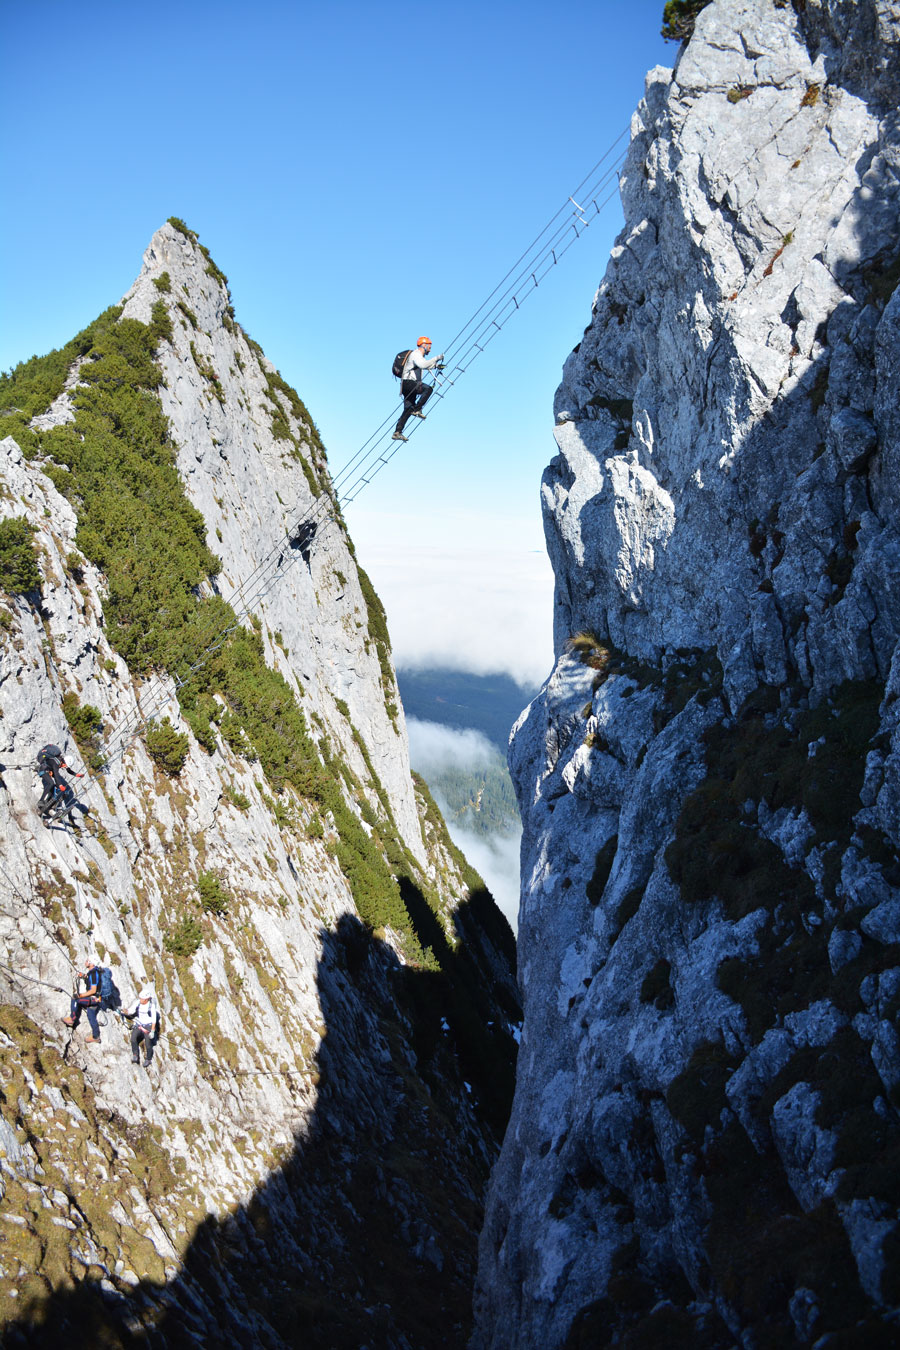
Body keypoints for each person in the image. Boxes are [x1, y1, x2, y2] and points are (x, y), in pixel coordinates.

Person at [392, 336, 444, 442]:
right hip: (409, 382)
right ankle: (417, 409)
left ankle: (397, 432)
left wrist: (436, 366)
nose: (430, 348)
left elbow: (425, 364)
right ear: (424, 345)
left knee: (408, 408)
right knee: (428, 389)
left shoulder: (418, 356)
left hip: (405, 384)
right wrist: (437, 357)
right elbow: (423, 364)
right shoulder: (416, 354)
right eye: (429, 346)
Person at [36, 744, 81, 828]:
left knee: (55, 788)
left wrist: (77, 774)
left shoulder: (61, 761)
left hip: (48, 770)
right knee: (51, 783)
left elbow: (68, 770)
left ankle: (48, 803)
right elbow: (56, 775)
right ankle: (41, 801)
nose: (65, 767)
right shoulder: (56, 762)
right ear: (64, 762)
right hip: (43, 770)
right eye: (65, 765)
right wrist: (60, 785)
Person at [62, 963, 102, 1043]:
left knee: (75, 998)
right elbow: (89, 979)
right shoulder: (94, 971)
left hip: (93, 999)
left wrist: (80, 995)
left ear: (91, 963)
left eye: (88, 961)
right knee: (91, 1015)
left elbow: (93, 990)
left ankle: (72, 1019)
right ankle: (96, 1036)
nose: (86, 962)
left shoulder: (94, 973)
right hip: (97, 999)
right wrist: (83, 976)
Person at [122, 986, 160, 1067]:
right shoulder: (138, 1002)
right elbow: (131, 1011)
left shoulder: (151, 1006)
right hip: (139, 1025)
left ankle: (148, 1059)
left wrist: (152, 1031)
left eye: (142, 999)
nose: (140, 1000)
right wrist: (125, 1012)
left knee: (148, 1043)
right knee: (133, 1038)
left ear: (147, 999)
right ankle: (135, 1055)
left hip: (148, 1026)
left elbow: (154, 1020)